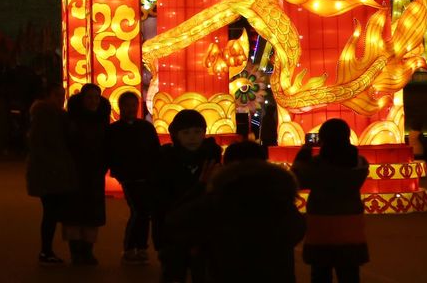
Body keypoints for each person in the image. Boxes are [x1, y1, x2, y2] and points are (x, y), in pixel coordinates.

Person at [167, 139, 303, 283]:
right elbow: (296, 230)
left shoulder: (218, 199)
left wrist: (201, 186)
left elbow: (175, 221)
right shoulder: (280, 197)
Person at [151, 108, 222, 282]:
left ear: (204, 133)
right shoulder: (165, 160)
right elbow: (159, 202)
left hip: (204, 232)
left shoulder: (212, 159)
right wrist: (160, 238)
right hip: (174, 231)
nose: (192, 137)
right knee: (174, 272)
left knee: (204, 273)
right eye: (186, 132)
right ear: (176, 135)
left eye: (197, 132)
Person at [292, 119, 367, 283]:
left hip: (321, 224)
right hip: (351, 225)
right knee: (350, 273)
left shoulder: (316, 165)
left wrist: (303, 155)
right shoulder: (359, 163)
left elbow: (298, 180)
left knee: (320, 273)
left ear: (322, 138)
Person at [60, 85, 112, 265]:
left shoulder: (103, 119)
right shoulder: (71, 120)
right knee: (74, 211)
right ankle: (75, 251)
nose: (93, 101)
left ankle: (88, 251)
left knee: (92, 212)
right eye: (89, 98)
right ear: (82, 99)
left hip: (95, 172)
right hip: (74, 171)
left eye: (96, 98)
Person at [24, 81, 75, 265]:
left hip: (49, 169)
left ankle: (47, 250)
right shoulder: (48, 114)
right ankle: (46, 251)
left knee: (51, 212)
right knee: (51, 213)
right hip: (50, 170)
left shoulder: (46, 114)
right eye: (57, 95)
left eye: (63, 96)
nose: (61, 99)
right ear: (48, 96)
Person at [106, 91, 160, 265]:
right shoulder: (114, 130)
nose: (131, 109)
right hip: (129, 177)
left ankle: (140, 247)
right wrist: (119, 172)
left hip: (147, 175)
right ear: (120, 107)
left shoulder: (146, 127)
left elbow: (155, 150)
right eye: (127, 105)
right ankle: (131, 247)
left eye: (133, 105)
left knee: (144, 212)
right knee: (139, 211)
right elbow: (111, 154)